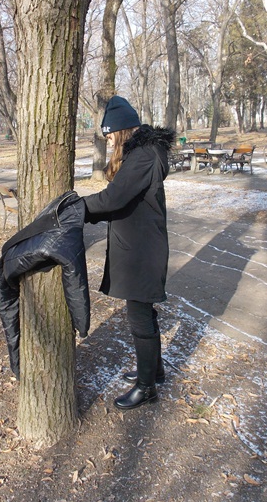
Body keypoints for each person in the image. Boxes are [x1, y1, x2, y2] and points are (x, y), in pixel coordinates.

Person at [83, 95, 175, 410]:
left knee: (140, 317)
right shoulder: (142, 153)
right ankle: (154, 371)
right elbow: (120, 200)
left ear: (121, 130)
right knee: (144, 313)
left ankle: (146, 388)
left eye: (109, 134)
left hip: (142, 252)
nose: (108, 140)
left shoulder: (143, 156)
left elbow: (114, 198)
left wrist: (77, 208)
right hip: (142, 246)